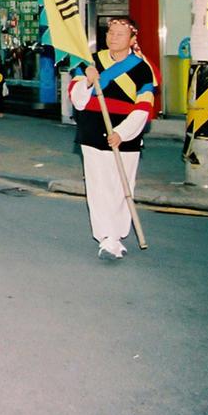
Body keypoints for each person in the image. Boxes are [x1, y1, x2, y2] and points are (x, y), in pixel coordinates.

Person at [69, 16, 158, 261]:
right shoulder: (91, 63)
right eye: (110, 33)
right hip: (92, 132)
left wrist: (123, 133)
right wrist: (87, 79)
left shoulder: (142, 68)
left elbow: (144, 106)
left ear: (132, 39)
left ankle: (117, 236)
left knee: (122, 186)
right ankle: (106, 238)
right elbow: (77, 100)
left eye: (120, 34)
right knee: (98, 186)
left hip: (125, 135)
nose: (113, 38)